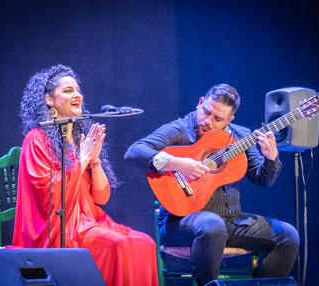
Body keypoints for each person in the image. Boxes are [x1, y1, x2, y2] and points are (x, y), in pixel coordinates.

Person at [124, 83, 299, 285]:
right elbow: (134, 152)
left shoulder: (240, 136)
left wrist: (271, 158)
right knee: (211, 225)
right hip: (180, 222)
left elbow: (264, 181)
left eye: (218, 119)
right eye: (206, 111)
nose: (207, 121)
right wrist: (178, 163)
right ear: (200, 103)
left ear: (229, 120)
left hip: (231, 222)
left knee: (288, 236)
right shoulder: (179, 130)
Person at [12, 64, 158, 286]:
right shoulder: (36, 139)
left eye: (78, 90)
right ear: (49, 100)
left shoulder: (81, 138)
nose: (77, 95)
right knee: (121, 245)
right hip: (56, 227)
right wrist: (83, 158)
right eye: (68, 90)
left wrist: (94, 158)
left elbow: (101, 198)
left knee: (145, 243)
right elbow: (50, 195)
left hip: (89, 221)